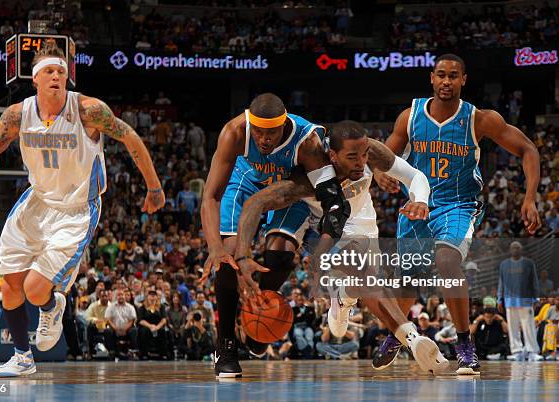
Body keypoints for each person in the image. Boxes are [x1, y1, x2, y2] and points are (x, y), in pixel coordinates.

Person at [0, 41, 165, 377]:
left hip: (77, 209)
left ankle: (53, 305)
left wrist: (154, 187)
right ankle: (22, 357)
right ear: (36, 79)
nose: (56, 76)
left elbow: (130, 138)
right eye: (49, 71)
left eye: (61, 71)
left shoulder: (88, 110)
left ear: (67, 78)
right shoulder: (17, 115)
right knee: (10, 282)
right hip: (37, 202)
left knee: (35, 289)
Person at [233, 120, 448, 373]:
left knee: (364, 281)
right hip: (314, 222)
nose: (361, 162)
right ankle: (414, 339)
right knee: (285, 251)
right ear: (332, 156)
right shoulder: (307, 176)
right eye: (352, 157)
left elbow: (415, 176)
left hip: (358, 221)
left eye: (364, 155)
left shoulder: (371, 152)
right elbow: (255, 204)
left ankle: (342, 299)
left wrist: (420, 200)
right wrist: (243, 255)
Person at [373, 53, 541, 375]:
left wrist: (530, 197)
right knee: (408, 280)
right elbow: (384, 156)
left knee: (447, 259)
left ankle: (464, 344)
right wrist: (381, 173)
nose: (446, 81)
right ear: (431, 78)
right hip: (418, 205)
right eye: (441, 75)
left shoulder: (479, 119)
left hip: (458, 204)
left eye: (453, 75)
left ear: (463, 79)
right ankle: (397, 334)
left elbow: (528, 149)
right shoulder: (409, 116)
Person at [200, 93, 350, 378]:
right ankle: (226, 343)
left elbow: (333, 201)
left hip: (287, 190)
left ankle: (259, 318)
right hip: (244, 182)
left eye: (271, 132)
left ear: (285, 124)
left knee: (279, 251)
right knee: (228, 258)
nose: (264, 139)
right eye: (259, 131)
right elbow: (210, 196)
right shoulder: (235, 132)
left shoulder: (307, 142)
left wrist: (323, 249)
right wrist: (214, 248)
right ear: (250, 125)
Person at [498, 242, 543, 361]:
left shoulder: (529, 263)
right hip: (509, 301)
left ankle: (532, 351)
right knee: (512, 327)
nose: (515, 249)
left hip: (526, 301)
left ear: (521, 249)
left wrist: (536, 298)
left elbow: (534, 281)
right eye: (513, 247)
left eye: (518, 247)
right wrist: (499, 299)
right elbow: (501, 283)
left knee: (528, 326)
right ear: (510, 250)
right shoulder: (504, 264)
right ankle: (517, 351)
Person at [104, 289, 138, 357]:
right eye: (118, 295)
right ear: (116, 297)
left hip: (127, 328)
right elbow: (108, 319)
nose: (120, 297)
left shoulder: (130, 307)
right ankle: (111, 351)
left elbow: (131, 320)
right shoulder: (111, 307)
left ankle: (132, 351)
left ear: (125, 296)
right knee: (107, 331)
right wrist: (116, 329)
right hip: (114, 328)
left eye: (122, 295)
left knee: (134, 330)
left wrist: (124, 329)